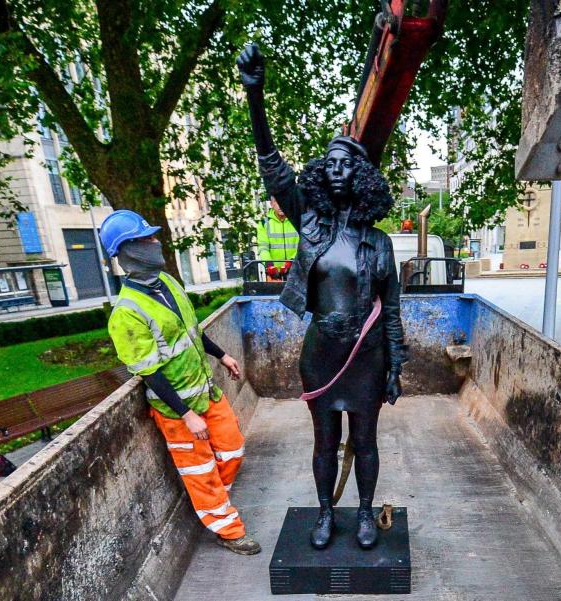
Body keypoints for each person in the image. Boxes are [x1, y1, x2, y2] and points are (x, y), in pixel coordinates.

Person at [237, 43, 407, 550]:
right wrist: (255, 98)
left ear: (361, 177)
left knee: (366, 441)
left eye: (346, 163)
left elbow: (393, 309)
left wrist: (396, 366)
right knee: (325, 441)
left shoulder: (380, 243)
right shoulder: (308, 224)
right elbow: (273, 168)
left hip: (367, 355)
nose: (336, 169)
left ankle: (361, 514)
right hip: (321, 353)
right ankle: (326, 513)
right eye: (329, 163)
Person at [99, 209, 262, 556]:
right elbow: (149, 373)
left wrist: (222, 355)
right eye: (147, 239)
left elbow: (192, 331)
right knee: (200, 471)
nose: (156, 243)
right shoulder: (126, 313)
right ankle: (227, 529)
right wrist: (186, 413)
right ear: (128, 251)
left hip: (206, 390)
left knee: (233, 448)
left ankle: (212, 501)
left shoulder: (169, 283)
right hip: (177, 411)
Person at [256, 195, 299, 281]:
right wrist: (269, 265)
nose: (281, 205)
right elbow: (263, 247)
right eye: (277, 202)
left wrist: (292, 261)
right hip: (274, 274)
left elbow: (303, 245)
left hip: (296, 270)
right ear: (271, 204)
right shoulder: (264, 223)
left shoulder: (298, 220)